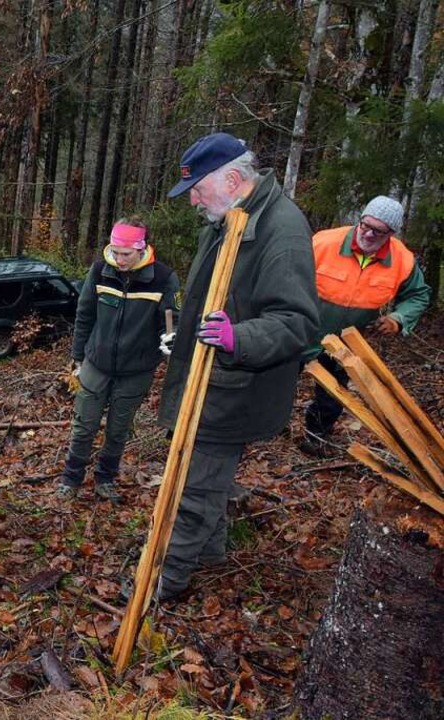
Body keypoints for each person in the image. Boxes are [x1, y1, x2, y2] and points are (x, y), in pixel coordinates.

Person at [157, 132, 319, 602]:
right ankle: (210, 555)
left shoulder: (281, 230)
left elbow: (296, 322)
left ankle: (169, 580)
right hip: (211, 376)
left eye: (197, 189)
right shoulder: (227, 216)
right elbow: (214, 294)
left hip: (235, 387)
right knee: (206, 479)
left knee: (195, 487)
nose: (192, 200)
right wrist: (185, 337)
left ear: (232, 178)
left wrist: (238, 337)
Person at [56, 218, 179, 504]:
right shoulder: (100, 271)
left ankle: (105, 479)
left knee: (118, 428)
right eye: (115, 252)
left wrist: (169, 338)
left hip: (136, 370)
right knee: (84, 424)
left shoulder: (163, 278)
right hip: (95, 364)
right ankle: (71, 479)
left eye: (126, 254)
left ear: (142, 249)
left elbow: (171, 318)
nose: (119, 260)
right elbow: (84, 314)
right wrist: (77, 357)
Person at [300, 195, 431, 455]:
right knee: (274, 383)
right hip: (302, 329)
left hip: (345, 343)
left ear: (391, 233)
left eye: (378, 231)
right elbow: (288, 274)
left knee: (333, 396)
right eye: (365, 225)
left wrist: (398, 318)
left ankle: (315, 436)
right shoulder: (323, 242)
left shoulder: (402, 260)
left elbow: (418, 295)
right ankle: (267, 426)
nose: (369, 234)